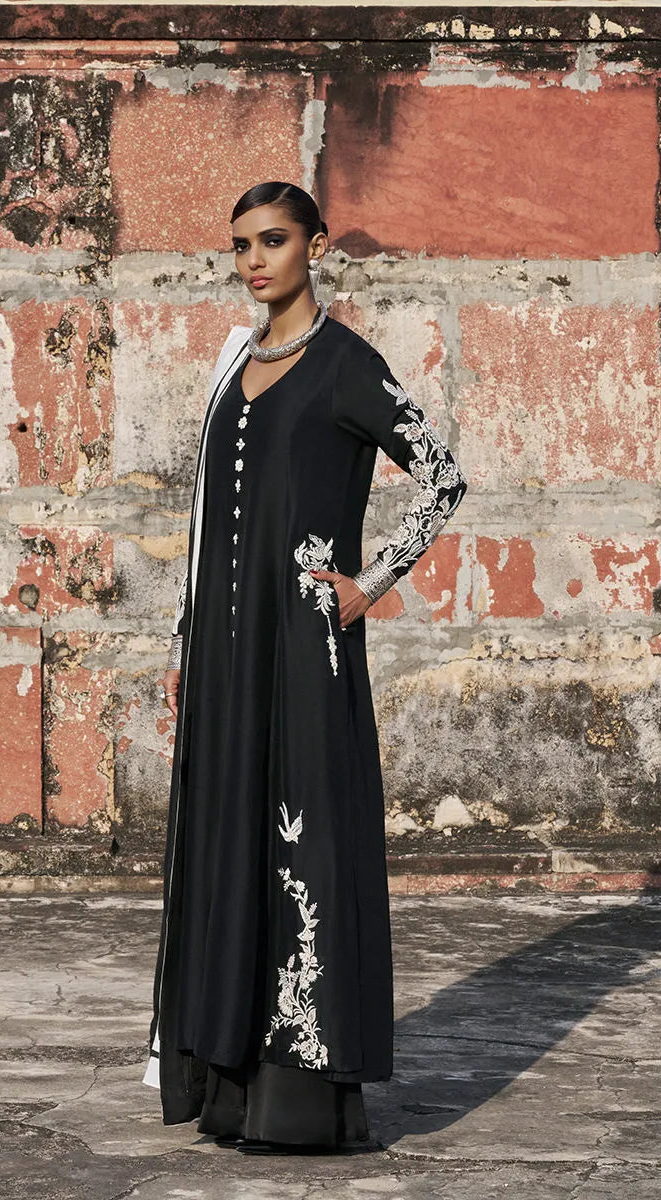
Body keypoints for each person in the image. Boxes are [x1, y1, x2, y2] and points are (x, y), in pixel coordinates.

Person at [142, 181, 468, 1154]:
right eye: (241, 244)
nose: (254, 261)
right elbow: (206, 527)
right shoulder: (232, 363)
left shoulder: (344, 365)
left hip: (302, 651)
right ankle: (228, 1084)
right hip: (223, 659)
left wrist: (370, 583)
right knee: (228, 839)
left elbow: (442, 477)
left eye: (274, 240)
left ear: (316, 246)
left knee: (304, 843)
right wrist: (185, 643)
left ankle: (299, 1097)